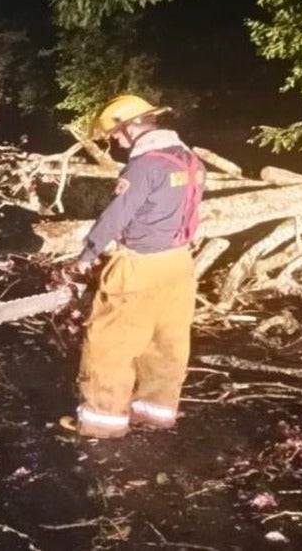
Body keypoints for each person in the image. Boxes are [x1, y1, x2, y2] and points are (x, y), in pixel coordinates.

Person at [61, 94, 204, 439]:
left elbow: (117, 214)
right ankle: (155, 411)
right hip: (179, 263)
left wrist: (88, 254)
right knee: (166, 340)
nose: (116, 142)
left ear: (130, 126)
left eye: (116, 135)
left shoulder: (144, 166)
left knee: (112, 342)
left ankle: (101, 421)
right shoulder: (190, 159)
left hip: (139, 265)